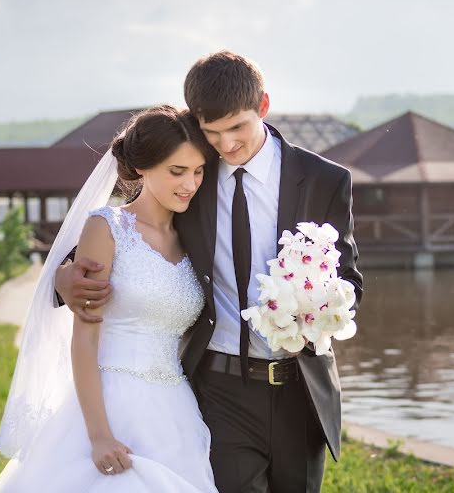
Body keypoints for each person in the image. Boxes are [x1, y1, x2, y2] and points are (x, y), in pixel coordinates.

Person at [57, 51, 363, 492]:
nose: (227, 145)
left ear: (263, 105)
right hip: (220, 387)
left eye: (237, 127)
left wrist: (315, 313)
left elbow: (348, 280)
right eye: (212, 132)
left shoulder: (323, 180)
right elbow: (119, 235)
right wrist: (63, 277)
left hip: (301, 390)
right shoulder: (192, 173)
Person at [0, 106, 219, 492]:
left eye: (197, 171)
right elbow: (85, 337)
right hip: (110, 402)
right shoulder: (107, 227)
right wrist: (98, 435)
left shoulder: (192, 238)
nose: (190, 184)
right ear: (143, 167)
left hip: (175, 409)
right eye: (176, 171)